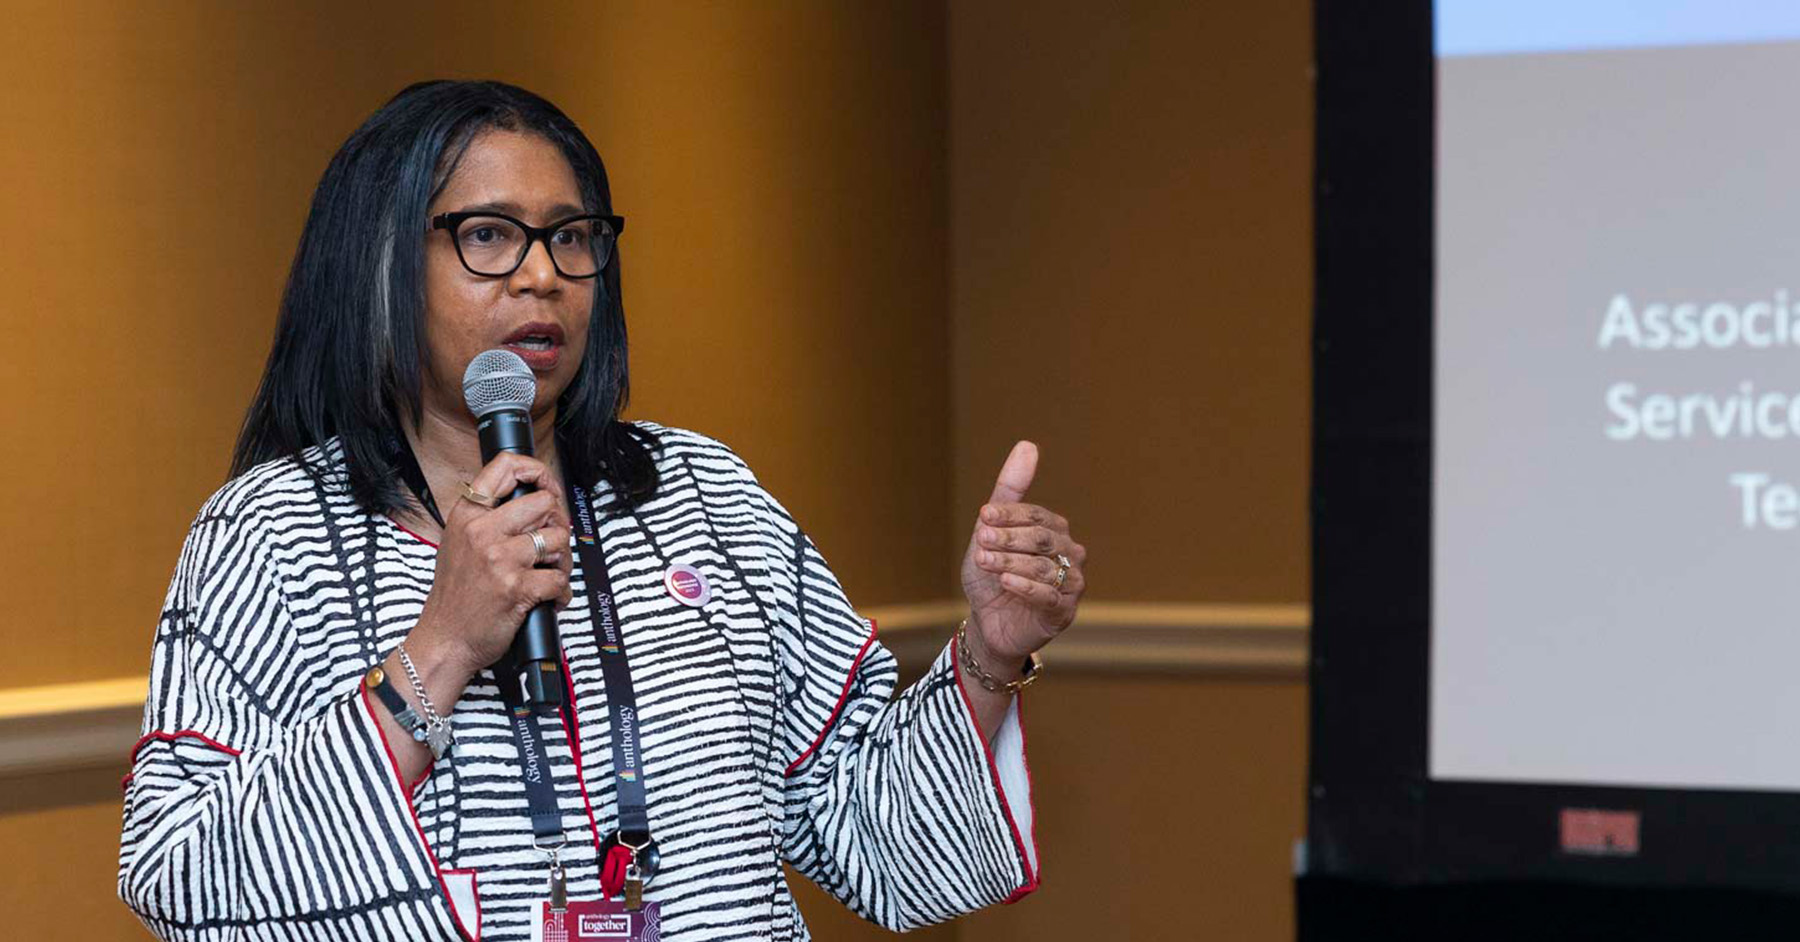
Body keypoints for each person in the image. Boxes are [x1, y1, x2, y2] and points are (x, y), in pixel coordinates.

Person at [117, 79, 1087, 941]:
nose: (541, 274)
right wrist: (443, 647)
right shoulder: (272, 531)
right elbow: (183, 883)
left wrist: (990, 655)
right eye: (488, 235)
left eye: (570, 237)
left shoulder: (701, 493)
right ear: (377, 263)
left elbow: (882, 844)